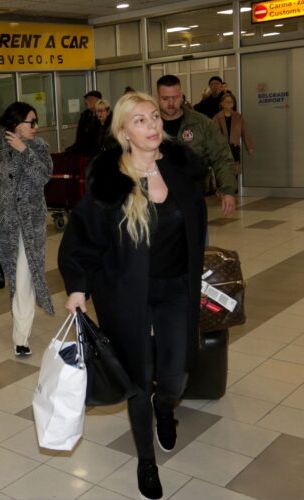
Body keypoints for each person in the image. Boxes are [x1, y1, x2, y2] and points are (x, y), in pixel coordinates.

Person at [58, 91, 208, 500]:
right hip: (125, 292)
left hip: (176, 287)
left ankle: (166, 405)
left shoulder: (179, 169)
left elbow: (196, 227)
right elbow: (83, 239)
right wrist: (78, 287)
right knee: (138, 376)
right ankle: (146, 460)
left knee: (176, 374)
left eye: (154, 117)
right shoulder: (110, 182)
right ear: (124, 131)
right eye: (140, 120)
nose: (152, 125)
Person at [0, 101, 54, 357]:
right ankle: (21, 327)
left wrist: (24, 151)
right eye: (31, 122)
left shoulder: (39, 147)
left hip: (30, 224)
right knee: (14, 278)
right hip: (4, 225)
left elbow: (44, 177)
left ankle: (21, 338)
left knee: (24, 276)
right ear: (16, 124)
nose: (35, 127)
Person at [156, 74, 237, 216]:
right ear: (157, 97)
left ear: (181, 95)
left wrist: (228, 191)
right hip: (156, 200)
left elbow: (222, 156)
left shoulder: (201, 123)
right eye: (165, 99)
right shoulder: (148, 125)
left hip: (192, 199)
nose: (171, 103)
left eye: (175, 97)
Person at [212, 92, 254, 179]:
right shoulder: (216, 118)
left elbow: (245, 133)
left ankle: (233, 186)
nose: (229, 104)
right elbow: (212, 135)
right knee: (223, 172)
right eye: (227, 102)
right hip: (221, 149)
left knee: (234, 173)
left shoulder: (238, 117)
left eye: (231, 102)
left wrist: (249, 147)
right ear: (222, 103)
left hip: (234, 148)